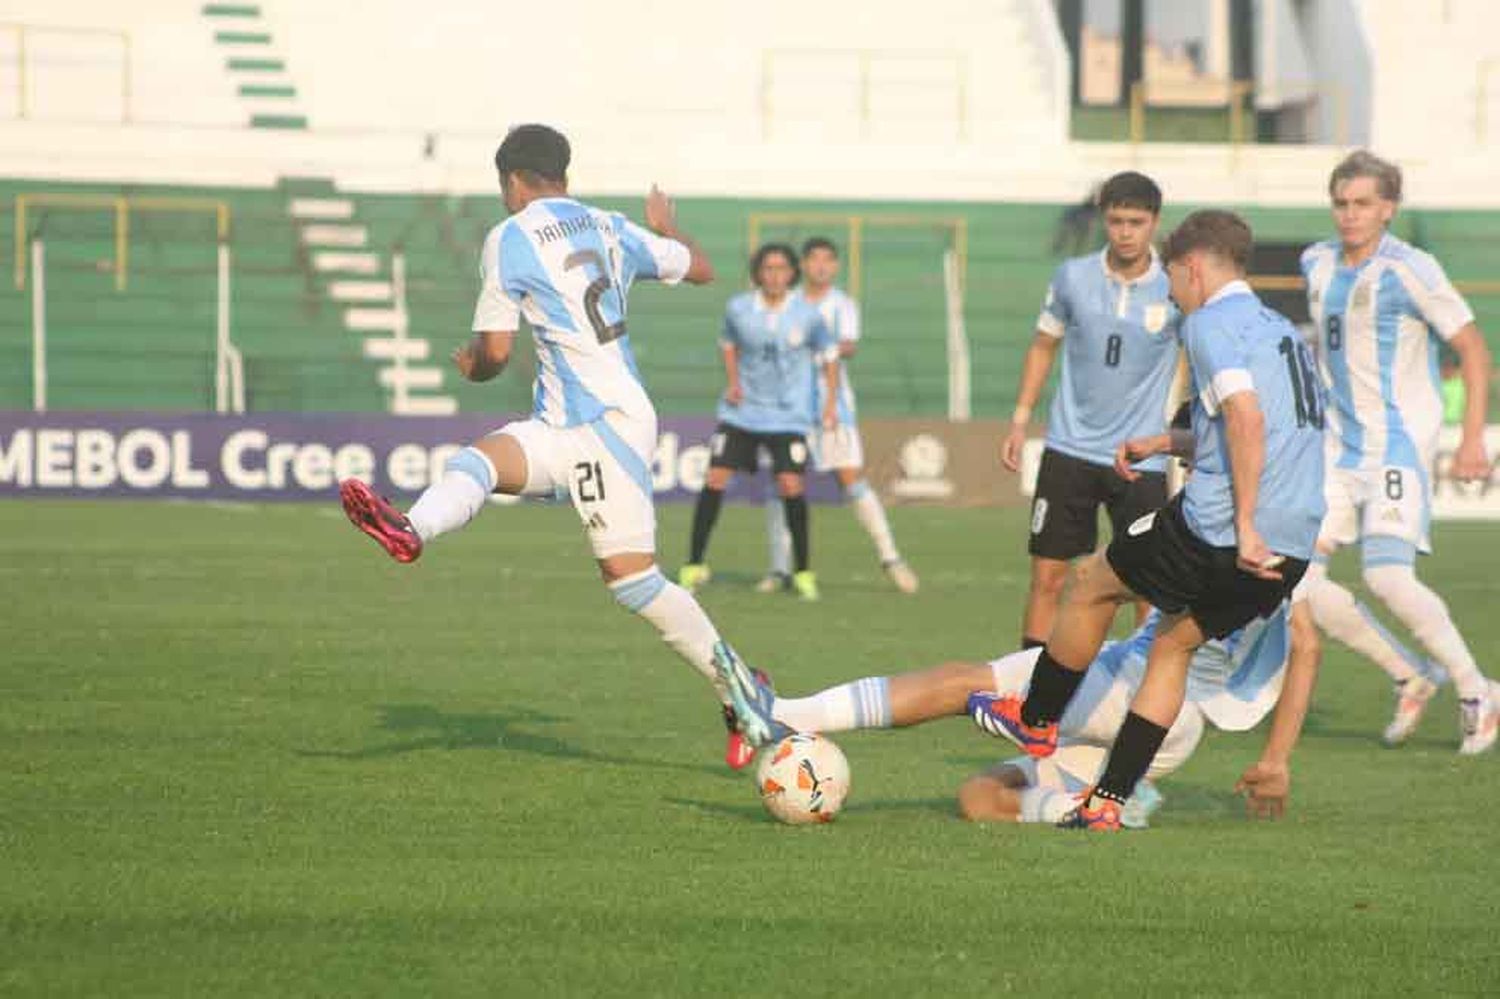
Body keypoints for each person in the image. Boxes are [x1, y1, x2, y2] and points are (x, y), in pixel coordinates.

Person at [336, 124, 758, 771]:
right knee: (480, 459)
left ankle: (743, 689)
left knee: (634, 580)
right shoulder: (610, 226)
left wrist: (468, 363)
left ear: (510, 180)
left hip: (601, 425)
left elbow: (495, 354)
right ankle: (411, 525)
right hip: (568, 419)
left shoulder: (510, 237)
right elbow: (700, 268)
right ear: (562, 172)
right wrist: (668, 229)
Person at [954, 210, 1327, 831]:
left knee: (1090, 581)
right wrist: (1167, 442)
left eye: (1174, 280)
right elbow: (1270, 428)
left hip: (1225, 529)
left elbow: (1246, 420)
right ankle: (1108, 803)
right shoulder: (1281, 332)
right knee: (1174, 644)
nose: (1172, 292)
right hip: (1293, 546)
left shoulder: (1208, 323)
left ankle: (1037, 717)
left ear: (1193, 268)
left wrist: (1244, 524)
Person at [718, 594, 1320, 828]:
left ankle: (786, 717)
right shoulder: (1281, 546)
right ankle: (1086, 813)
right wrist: (1277, 760)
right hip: (1175, 733)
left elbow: (1098, 585)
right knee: (980, 798)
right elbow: (1308, 646)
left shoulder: (1204, 518)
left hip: (1130, 688)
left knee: (964, 683)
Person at [1299, 150, 1498, 754]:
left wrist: (1470, 438)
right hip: (1336, 450)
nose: (1350, 215)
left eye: (1363, 204)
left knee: (1387, 576)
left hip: (1395, 447)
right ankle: (1411, 676)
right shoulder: (1316, 261)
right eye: (1341, 202)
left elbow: (1472, 348)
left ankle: (1477, 690)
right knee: (1296, 584)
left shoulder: (1411, 268)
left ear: (1388, 209)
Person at [1001, 172, 1183, 650]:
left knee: (1148, 584)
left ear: (1154, 223)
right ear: (1104, 218)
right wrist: (1020, 420)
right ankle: (1029, 691)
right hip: (1069, 448)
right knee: (1048, 578)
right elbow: (1043, 346)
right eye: (1116, 220)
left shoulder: (1174, 284)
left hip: (1141, 457)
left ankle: (1143, 689)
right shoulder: (1072, 276)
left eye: (1136, 222)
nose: (1125, 232)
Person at [759, 237, 919, 595]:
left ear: (835, 267)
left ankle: (891, 557)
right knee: (781, 483)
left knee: (851, 479)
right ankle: (779, 568)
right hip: (787, 406)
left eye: (827, 260)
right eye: (813, 259)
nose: (820, 266)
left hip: (832, 405)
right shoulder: (786, 302)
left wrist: (813, 344)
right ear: (802, 265)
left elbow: (847, 345)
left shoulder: (842, 305)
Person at [680, 244, 838, 602]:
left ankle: (802, 572)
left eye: (782, 268)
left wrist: (828, 404)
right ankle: (693, 564)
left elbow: (829, 356)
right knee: (715, 477)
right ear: (758, 273)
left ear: (792, 274)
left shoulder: (807, 315)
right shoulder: (739, 309)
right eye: (768, 268)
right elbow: (727, 343)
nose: (775, 275)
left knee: (790, 485)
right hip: (743, 412)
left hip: (788, 414)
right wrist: (733, 382)